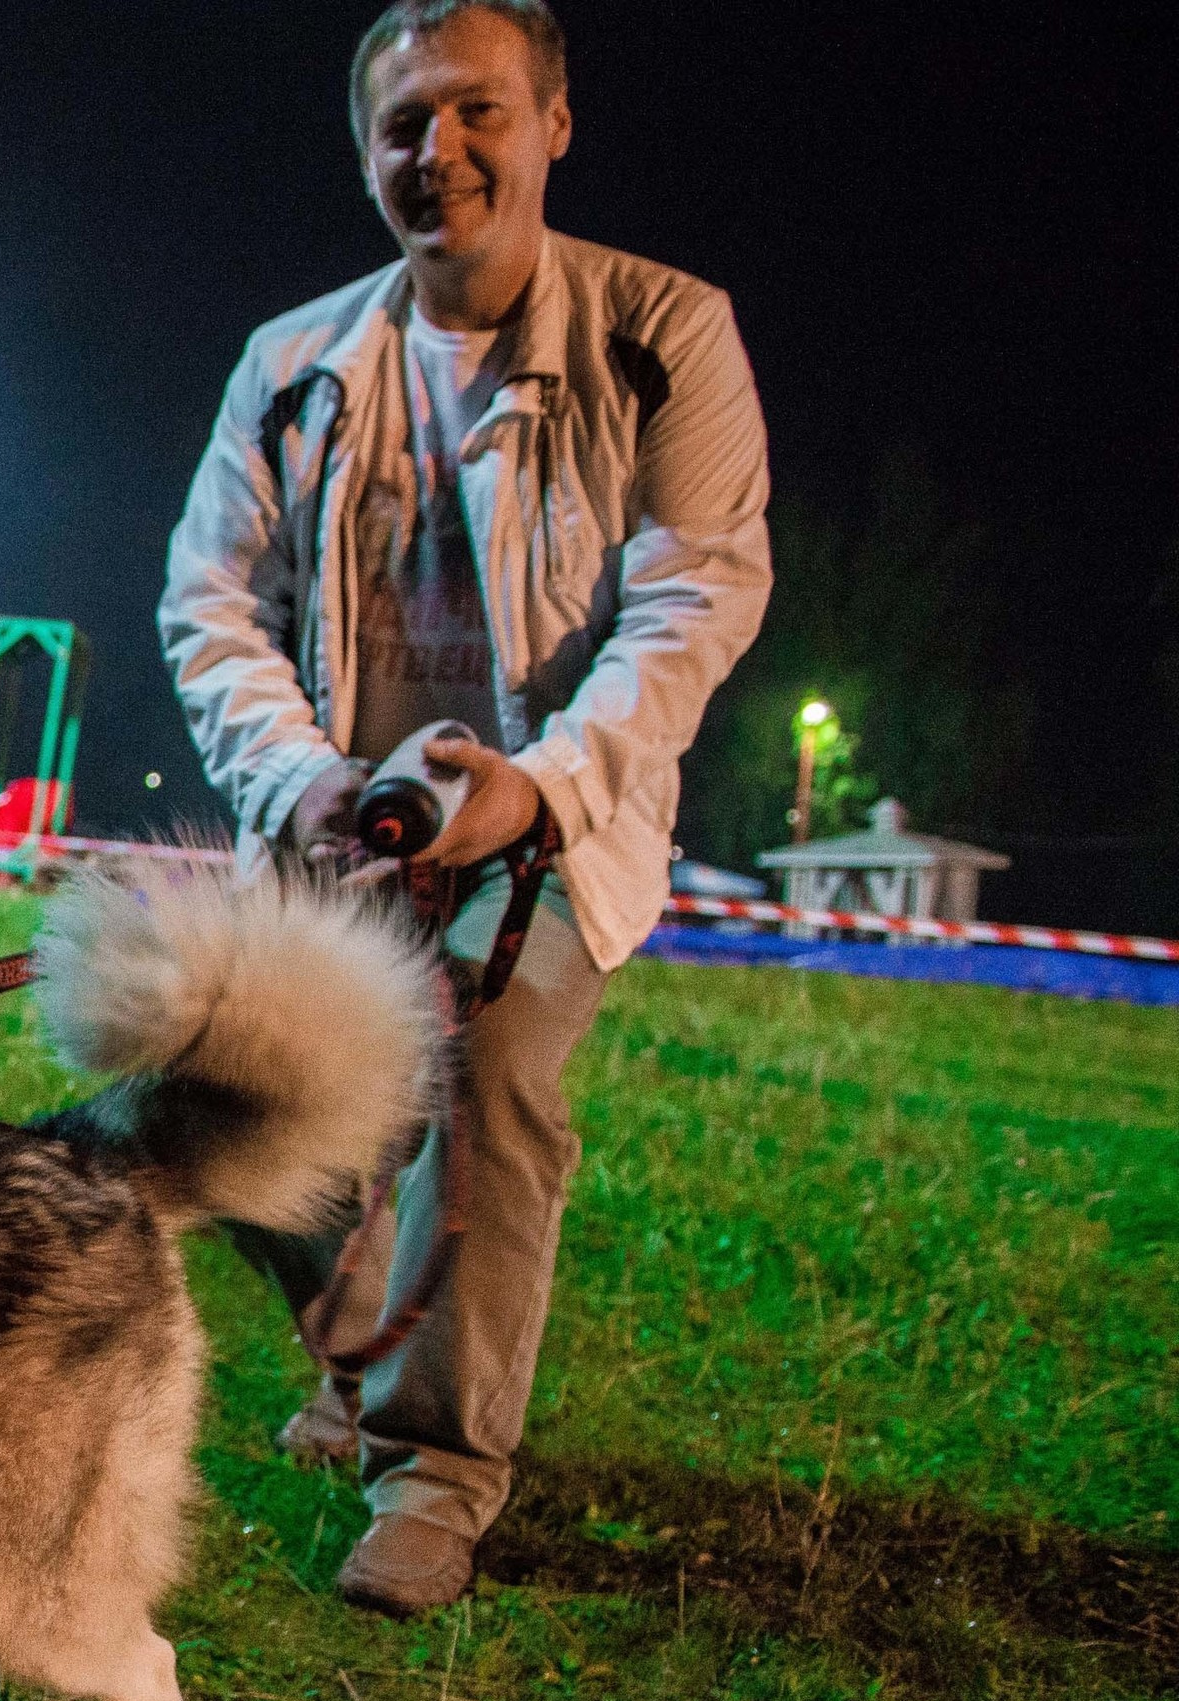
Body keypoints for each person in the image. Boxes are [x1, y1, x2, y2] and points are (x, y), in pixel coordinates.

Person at [160, 0, 771, 1617]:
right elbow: (211, 603)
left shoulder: (668, 332)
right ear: (368, 153)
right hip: (333, 823)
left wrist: (542, 787)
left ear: (555, 121)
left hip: (556, 819)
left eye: (479, 111)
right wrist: (302, 780)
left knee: (487, 1074)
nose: (442, 151)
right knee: (218, 1086)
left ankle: (436, 1472)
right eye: (405, 122)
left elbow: (696, 598)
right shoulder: (288, 366)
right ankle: (361, 1353)